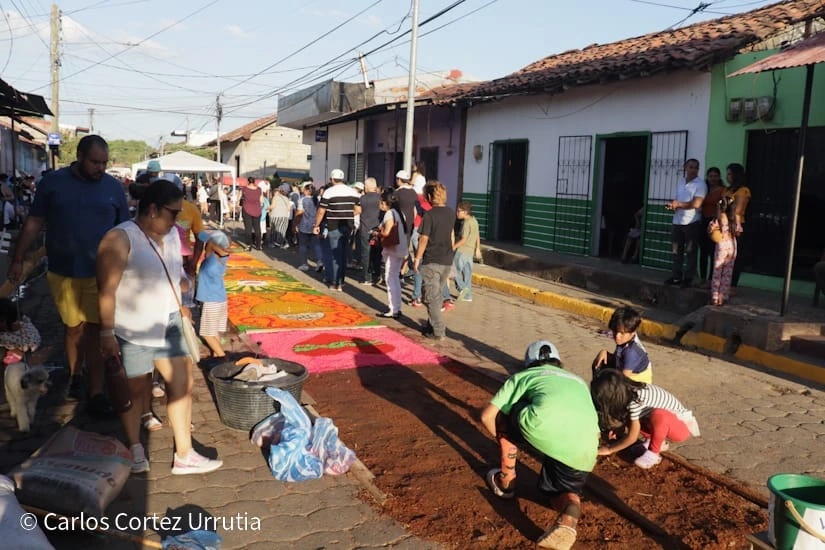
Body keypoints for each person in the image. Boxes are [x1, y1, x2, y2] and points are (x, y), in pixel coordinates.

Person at [97, 179, 223, 475]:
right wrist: (106, 333)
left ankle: (184, 453)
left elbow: (176, 274)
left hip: (168, 323)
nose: (177, 219)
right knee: (135, 392)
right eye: (173, 212)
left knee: (180, 385)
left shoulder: (171, 237)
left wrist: (184, 305)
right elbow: (106, 291)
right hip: (132, 330)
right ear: (152, 209)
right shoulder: (119, 239)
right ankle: (136, 447)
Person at [8, 135, 130, 416]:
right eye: (95, 162)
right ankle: (76, 376)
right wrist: (18, 258)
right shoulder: (53, 183)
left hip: (101, 274)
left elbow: (124, 231)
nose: (100, 167)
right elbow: (35, 221)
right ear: (79, 156)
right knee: (74, 329)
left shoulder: (113, 188)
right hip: (62, 271)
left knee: (97, 331)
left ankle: (97, 392)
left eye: (104, 162)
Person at [481, 340, 599, 550]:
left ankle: (506, 481)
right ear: (558, 362)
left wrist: (507, 438)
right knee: (557, 496)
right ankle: (569, 512)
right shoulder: (579, 381)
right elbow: (596, 431)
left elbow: (487, 416)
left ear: (529, 363)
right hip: (585, 449)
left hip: (540, 426)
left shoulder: (523, 376)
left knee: (506, 411)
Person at [591, 369, 700, 469]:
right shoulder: (628, 391)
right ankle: (656, 442)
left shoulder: (636, 400)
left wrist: (610, 449)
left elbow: (632, 437)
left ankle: (654, 453)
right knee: (634, 418)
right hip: (662, 424)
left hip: (681, 428)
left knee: (659, 415)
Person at [414, 181, 455, 341]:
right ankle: (431, 324)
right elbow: (451, 234)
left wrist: (417, 258)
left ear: (430, 196)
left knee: (431, 296)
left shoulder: (429, 215)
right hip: (446, 259)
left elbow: (424, 239)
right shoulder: (450, 213)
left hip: (432, 260)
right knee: (436, 294)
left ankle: (438, 331)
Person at [313, 169, 361, 291]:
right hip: (348, 226)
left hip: (333, 225)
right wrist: (348, 215)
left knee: (335, 254)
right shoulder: (353, 192)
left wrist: (316, 225)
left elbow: (321, 210)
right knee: (343, 254)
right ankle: (341, 282)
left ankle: (334, 282)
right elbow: (359, 210)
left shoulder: (329, 192)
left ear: (332, 179)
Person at [665, 159, 706, 288]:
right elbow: (678, 200)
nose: (693, 170)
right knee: (676, 251)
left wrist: (679, 204)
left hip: (691, 222)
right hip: (678, 221)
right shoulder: (681, 181)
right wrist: (673, 205)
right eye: (691, 167)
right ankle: (676, 277)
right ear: (685, 168)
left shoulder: (700, 184)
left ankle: (689, 279)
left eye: (696, 168)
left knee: (690, 252)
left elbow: (697, 204)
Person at [591, 306, 652, 384]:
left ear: (632, 332)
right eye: (615, 331)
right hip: (624, 375)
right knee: (600, 363)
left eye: (622, 333)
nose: (617, 336)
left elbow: (622, 381)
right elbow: (618, 359)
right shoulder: (624, 342)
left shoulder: (631, 352)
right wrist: (604, 353)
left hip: (635, 385)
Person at [196, 230, 231, 362]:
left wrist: (211, 241)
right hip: (220, 300)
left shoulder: (210, 260)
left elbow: (205, 240)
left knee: (206, 334)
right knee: (214, 332)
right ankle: (217, 359)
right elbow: (221, 246)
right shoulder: (223, 258)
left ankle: (223, 358)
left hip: (212, 301)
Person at [376, 189, 408, 319]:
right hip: (400, 250)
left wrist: (377, 233)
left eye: (380, 201)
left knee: (390, 278)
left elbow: (387, 233)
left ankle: (393, 309)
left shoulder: (389, 214)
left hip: (392, 250)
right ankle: (396, 307)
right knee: (395, 278)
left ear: (385, 203)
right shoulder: (400, 213)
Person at [724, 163, 751, 290]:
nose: (727, 176)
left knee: (735, 257)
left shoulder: (743, 191)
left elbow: (738, 211)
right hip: (723, 225)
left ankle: (733, 286)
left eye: (729, 174)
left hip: (736, 225)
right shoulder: (727, 190)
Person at [708, 195, 737, 306]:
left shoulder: (718, 219)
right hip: (732, 247)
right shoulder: (734, 220)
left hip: (721, 247)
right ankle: (723, 297)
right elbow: (739, 231)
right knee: (727, 273)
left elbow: (710, 229)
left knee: (717, 273)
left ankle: (715, 297)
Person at [699, 167, 724, 285]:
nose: (713, 178)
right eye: (710, 176)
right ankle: (702, 278)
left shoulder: (722, 191)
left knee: (713, 252)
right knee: (703, 252)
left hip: (714, 223)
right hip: (703, 221)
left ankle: (711, 279)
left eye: (715, 176)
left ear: (719, 177)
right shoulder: (704, 189)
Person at [452, 202, 481, 302]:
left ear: (465, 212)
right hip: (470, 252)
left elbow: (463, 239)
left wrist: (454, 247)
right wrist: (477, 249)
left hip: (462, 251)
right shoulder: (474, 221)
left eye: (459, 211)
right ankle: (468, 296)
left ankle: (462, 288)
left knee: (454, 269)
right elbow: (477, 235)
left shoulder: (466, 223)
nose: (457, 213)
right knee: (467, 275)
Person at [359, 178, 382, 285]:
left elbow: (358, 211)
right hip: (378, 230)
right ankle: (377, 275)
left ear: (367, 187)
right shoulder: (381, 198)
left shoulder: (362, 199)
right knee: (377, 254)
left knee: (366, 254)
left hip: (365, 229)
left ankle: (366, 278)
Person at [295, 183, 322, 271]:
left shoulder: (302, 200)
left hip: (304, 224)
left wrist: (295, 224)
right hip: (315, 224)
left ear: (306, 191)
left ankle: (304, 264)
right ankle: (319, 261)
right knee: (316, 245)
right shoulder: (318, 199)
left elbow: (299, 213)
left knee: (303, 245)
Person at [241, 177, 263, 249]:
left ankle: (249, 245)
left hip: (247, 209)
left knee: (248, 228)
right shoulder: (259, 189)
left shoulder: (244, 189)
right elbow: (261, 200)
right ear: (254, 182)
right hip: (257, 210)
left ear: (248, 181)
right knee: (257, 228)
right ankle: (258, 245)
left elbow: (239, 198)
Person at [268, 183, 292, 248]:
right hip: (284, 217)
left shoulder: (275, 197)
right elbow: (288, 208)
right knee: (282, 231)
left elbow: (272, 206)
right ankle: (281, 244)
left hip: (275, 216)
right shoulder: (287, 199)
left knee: (274, 230)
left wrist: (267, 208)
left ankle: (272, 243)